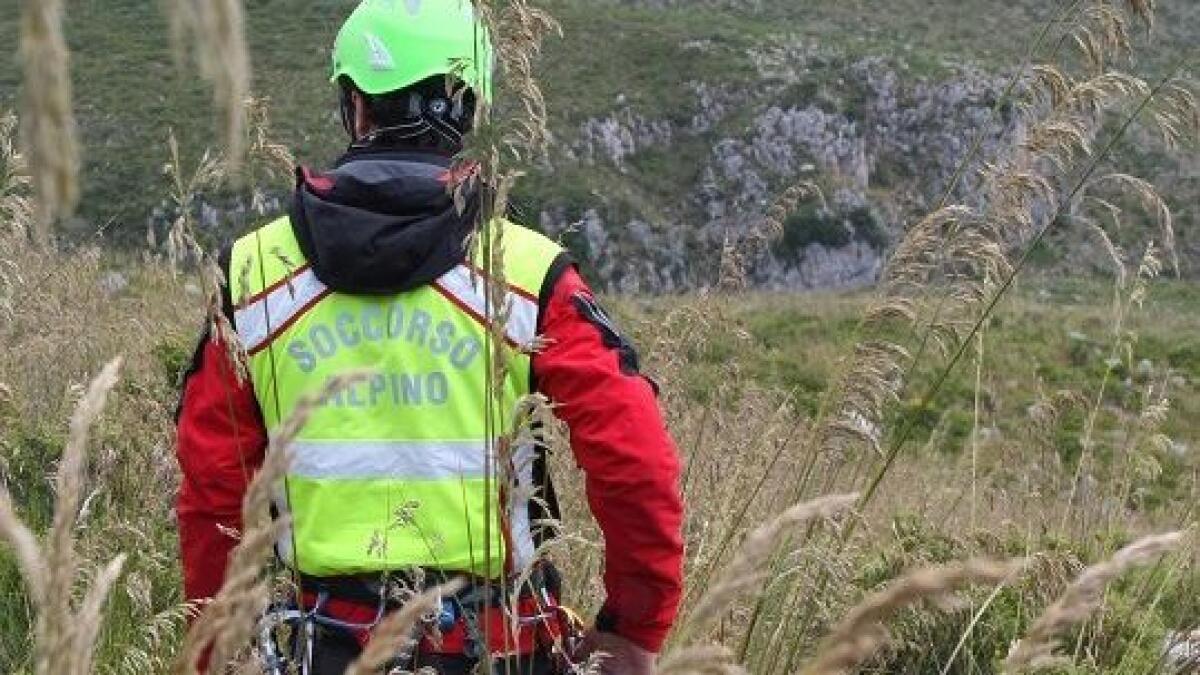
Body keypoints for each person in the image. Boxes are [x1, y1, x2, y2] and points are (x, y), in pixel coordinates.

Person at [174, 1, 684, 673]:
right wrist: (634, 626)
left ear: (354, 107)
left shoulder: (252, 277)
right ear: (470, 108)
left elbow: (214, 494)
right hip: (500, 649)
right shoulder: (529, 276)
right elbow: (636, 461)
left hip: (325, 650)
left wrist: (217, 651)